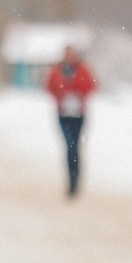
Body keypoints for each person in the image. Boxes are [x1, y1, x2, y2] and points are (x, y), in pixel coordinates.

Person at [45, 42, 98, 198]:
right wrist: (62, 95)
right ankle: (71, 178)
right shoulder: (57, 70)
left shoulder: (82, 69)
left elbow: (90, 86)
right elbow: (50, 87)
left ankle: (76, 177)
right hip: (64, 114)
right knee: (69, 145)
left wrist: (77, 93)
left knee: (75, 145)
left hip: (78, 114)